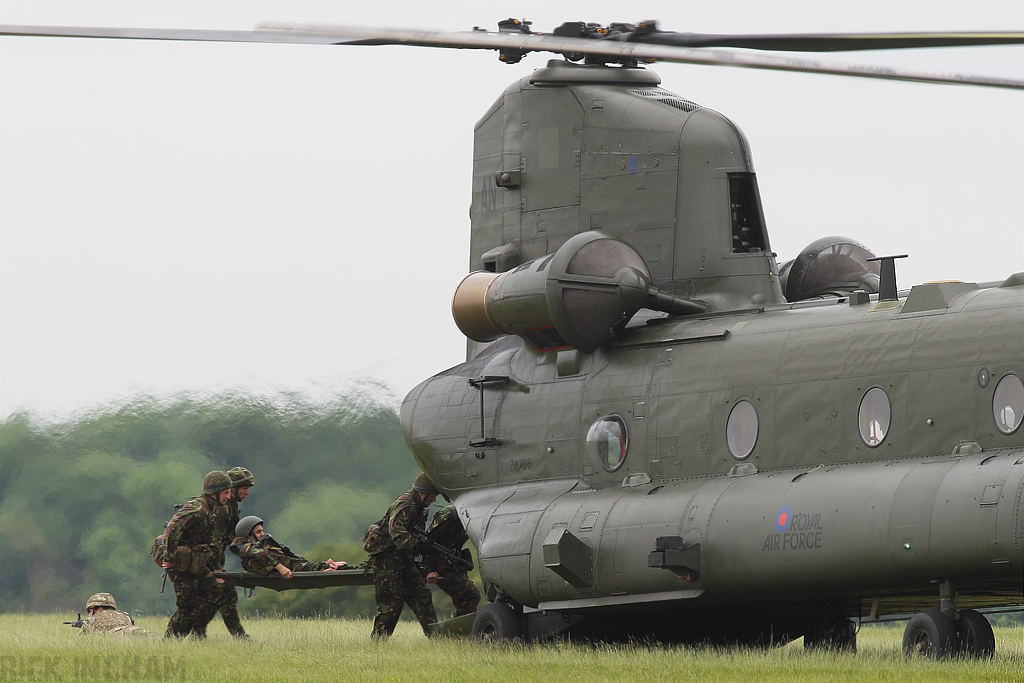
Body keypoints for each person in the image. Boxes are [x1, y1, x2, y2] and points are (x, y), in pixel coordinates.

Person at [364, 473, 439, 639]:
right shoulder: (406, 504)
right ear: (422, 493)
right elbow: (397, 535)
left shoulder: (417, 506)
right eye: (432, 496)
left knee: (422, 596)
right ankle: (378, 644)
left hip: (402, 558)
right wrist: (418, 546)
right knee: (391, 604)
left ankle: (438, 639)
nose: (434, 500)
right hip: (387, 558)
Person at [160, 470, 232, 638]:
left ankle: (189, 638)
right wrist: (169, 558)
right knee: (188, 607)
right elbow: (172, 528)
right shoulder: (198, 509)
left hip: (194, 564)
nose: (229, 496)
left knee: (207, 598)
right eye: (226, 492)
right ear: (214, 493)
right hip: (181, 564)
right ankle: (169, 643)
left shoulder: (209, 509)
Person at [212, 466, 254, 638]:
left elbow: (230, 537)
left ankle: (240, 637)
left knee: (226, 598)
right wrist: (216, 570)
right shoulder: (220, 509)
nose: (248, 493)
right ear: (233, 489)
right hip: (204, 560)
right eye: (245, 489)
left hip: (213, 559)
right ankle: (172, 639)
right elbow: (213, 542)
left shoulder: (231, 507)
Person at [231, 515, 348, 577]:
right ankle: (337, 566)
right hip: (293, 569)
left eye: (262, 531)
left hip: (296, 565)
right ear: (248, 534)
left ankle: (335, 565)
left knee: (329, 566)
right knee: (328, 568)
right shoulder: (248, 548)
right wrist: (280, 568)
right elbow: (257, 553)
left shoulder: (261, 546)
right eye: (258, 532)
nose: (262, 534)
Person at [423, 505, 481, 618]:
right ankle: (460, 630)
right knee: (471, 595)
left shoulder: (471, 516)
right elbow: (426, 543)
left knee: (465, 597)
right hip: (439, 566)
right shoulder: (449, 516)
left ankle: (460, 631)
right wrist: (429, 570)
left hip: (452, 564)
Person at [78, 593, 150, 636]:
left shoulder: (91, 620)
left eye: (90, 611)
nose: (89, 615)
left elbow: (80, 642)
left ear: (100, 609)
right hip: (137, 631)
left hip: (120, 637)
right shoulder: (125, 615)